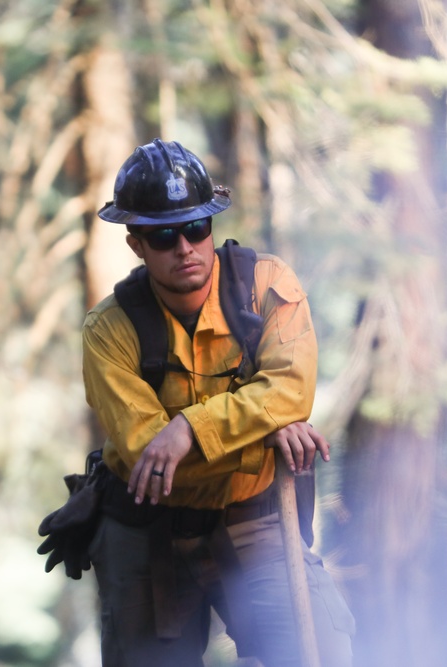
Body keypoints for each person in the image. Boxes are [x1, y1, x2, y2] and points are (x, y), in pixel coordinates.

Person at [82, 139, 355, 666]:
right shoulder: (108, 331)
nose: (183, 246)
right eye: (163, 234)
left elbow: (292, 390)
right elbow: (151, 462)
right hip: (147, 526)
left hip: (254, 513)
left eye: (195, 228)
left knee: (317, 649)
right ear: (136, 242)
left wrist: (187, 428)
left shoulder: (267, 285)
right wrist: (265, 425)